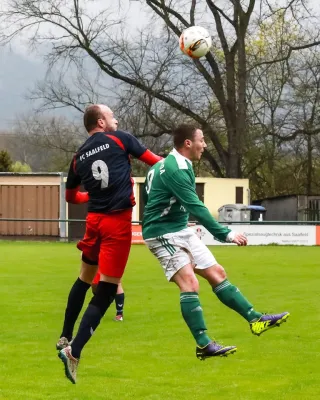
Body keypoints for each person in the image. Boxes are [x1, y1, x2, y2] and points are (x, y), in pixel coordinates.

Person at [142, 123, 290, 361]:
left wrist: (177, 218)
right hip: (162, 234)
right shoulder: (175, 168)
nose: (205, 145)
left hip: (178, 228)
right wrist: (225, 234)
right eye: (202, 140)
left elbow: (158, 196)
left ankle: (256, 320)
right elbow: (196, 207)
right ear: (188, 143)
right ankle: (203, 344)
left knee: (217, 273)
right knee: (190, 284)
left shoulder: (168, 164)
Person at [57, 104, 162, 384]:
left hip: (94, 222)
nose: (116, 118)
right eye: (112, 115)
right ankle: (74, 350)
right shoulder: (121, 138)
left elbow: (70, 197)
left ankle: (64, 334)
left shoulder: (78, 157)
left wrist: (89, 198)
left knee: (83, 279)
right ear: (101, 121)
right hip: (116, 224)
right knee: (105, 293)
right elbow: (157, 162)